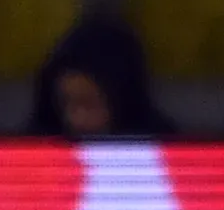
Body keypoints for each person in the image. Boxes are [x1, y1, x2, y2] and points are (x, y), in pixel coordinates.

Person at [26, 16, 176, 138]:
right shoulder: (32, 153)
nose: (76, 119)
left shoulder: (167, 154)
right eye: (65, 103)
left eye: (90, 104)